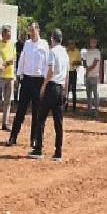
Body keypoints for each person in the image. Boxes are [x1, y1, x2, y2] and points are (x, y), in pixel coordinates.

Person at [29, 29, 69, 161]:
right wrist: (66, 92)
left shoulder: (53, 52)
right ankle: (58, 152)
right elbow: (67, 75)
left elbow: (51, 71)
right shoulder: (65, 53)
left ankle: (38, 149)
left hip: (51, 86)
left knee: (41, 119)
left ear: (53, 39)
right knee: (58, 122)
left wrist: (43, 86)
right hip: (61, 88)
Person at [7, 21, 49, 147]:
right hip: (26, 80)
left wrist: (45, 83)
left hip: (38, 80)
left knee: (37, 112)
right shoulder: (27, 44)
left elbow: (47, 64)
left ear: (38, 30)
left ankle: (34, 139)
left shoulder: (44, 44)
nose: (30, 33)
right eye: (29, 31)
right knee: (20, 110)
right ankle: (13, 137)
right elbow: (22, 61)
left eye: (32, 30)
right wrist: (18, 77)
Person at [0, 25, 16, 131]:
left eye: (10, 31)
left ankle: (5, 123)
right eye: (8, 32)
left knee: (8, 101)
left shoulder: (12, 44)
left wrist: (7, 63)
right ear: (3, 33)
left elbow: (13, 58)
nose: (10, 34)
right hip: (1, 76)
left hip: (10, 76)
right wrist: (5, 63)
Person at [83, 37, 101, 117]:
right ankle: (89, 109)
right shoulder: (86, 52)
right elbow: (84, 61)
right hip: (87, 75)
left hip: (94, 75)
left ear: (96, 43)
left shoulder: (97, 52)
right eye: (91, 42)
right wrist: (86, 69)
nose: (92, 43)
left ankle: (96, 109)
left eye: (93, 42)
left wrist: (87, 69)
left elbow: (95, 64)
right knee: (88, 93)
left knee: (95, 93)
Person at [66, 39, 81, 113]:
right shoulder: (66, 51)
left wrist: (74, 63)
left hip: (73, 72)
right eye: (69, 43)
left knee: (74, 90)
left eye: (72, 43)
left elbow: (79, 63)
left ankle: (74, 108)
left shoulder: (77, 51)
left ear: (74, 44)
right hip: (67, 72)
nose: (71, 45)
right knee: (66, 90)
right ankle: (65, 107)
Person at [13, 31, 26, 101]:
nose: (21, 37)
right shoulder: (16, 44)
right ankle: (15, 99)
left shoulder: (25, 45)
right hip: (17, 66)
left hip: (24, 68)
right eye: (20, 36)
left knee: (23, 84)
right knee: (16, 84)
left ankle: (21, 98)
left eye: (22, 36)